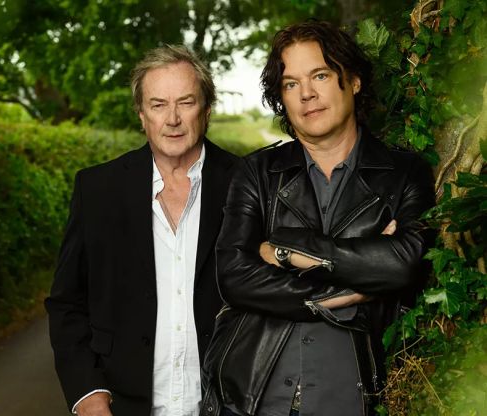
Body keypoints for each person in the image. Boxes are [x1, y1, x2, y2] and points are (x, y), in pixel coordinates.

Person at [200, 21, 435, 416]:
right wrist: (346, 288)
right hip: (252, 397)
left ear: (354, 81)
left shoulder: (403, 174)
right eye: (291, 84)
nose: (306, 93)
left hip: (350, 398)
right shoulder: (258, 173)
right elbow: (234, 276)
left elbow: (403, 265)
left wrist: (287, 251)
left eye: (320, 75)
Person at [46, 44, 239, 416]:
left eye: (185, 102)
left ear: (207, 110)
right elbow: (67, 303)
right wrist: (87, 393)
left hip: (228, 405)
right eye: (158, 104)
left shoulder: (247, 183)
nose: (172, 119)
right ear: (141, 114)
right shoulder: (97, 189)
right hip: (123, 406)